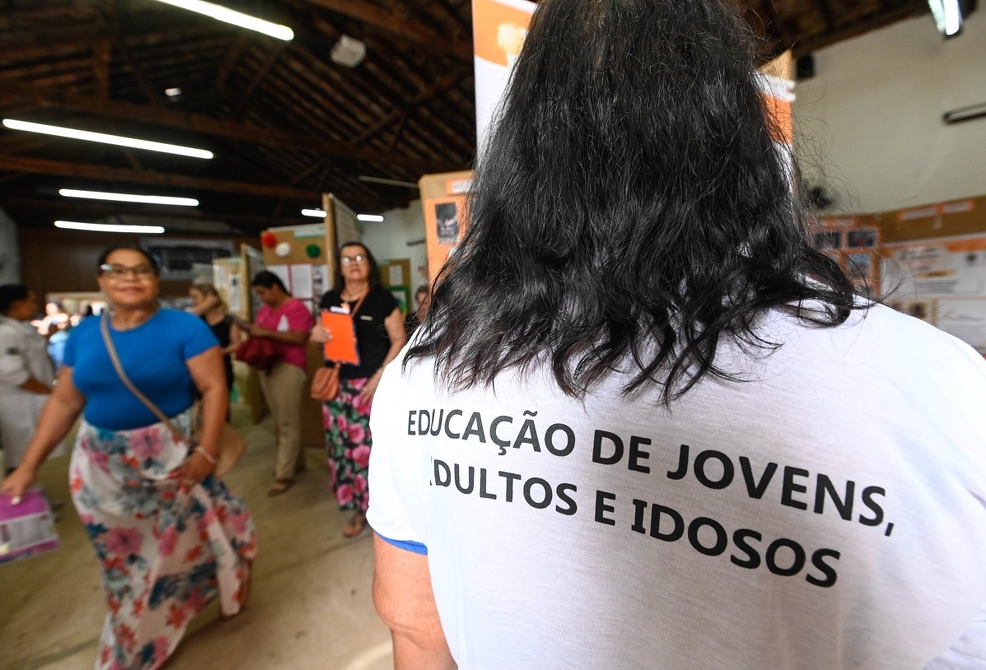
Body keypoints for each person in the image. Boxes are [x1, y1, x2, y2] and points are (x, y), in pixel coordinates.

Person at [365, 1, 986, 668]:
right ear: (741, 136)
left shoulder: (425, 369)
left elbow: (417, 630)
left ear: (520, 149)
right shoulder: (936, 387)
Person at [0, 245, 256, 670]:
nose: (130, 277)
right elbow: (65, 401)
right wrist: (28, 465)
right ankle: (134, 643)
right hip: (101, 471)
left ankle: (219, 582)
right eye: (116, 270)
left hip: (170, 461)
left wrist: (207, 450)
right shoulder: (85, 334)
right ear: (101, 280)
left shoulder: (185, 328)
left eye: (141, 270)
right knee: (125, 567)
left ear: (155, 280)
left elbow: (213, 388)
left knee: (183, 545)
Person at [310, 242, 405, 537]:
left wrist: (379, 376)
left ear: (369, 264)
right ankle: (354, 505)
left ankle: (374, 507)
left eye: (360, 257)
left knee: (368, 450)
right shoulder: (329, 299)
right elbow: (319, 335)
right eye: (347, 258)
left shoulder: (382, 299)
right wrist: (314, 334)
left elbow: (399, 340)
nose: (353, 262)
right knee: (340, 447)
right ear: (339, 266)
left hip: (368, 388)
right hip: (336, 386)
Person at [245, 270, 314, 496]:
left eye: (263, 292)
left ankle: (284, 474)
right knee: (283, 419)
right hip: (268, 366)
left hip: (289, 367)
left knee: (286, 423)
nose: (261, 298)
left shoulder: (296, 308)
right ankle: (297, 462)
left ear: (275, 287)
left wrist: (265, 332)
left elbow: (299, 336)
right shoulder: (266, 310)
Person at [0, 284, 60, 472]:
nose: (35, 306)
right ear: (16, 304)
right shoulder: (2, 333)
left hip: (26, 400)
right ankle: (17, 490)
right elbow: (13, 374)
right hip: (18, 404)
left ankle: (28, 489)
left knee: (29, 454)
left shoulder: (17, 330)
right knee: (19, 457)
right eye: (32, 302)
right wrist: (47, 391)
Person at [188, 283, 242, 418]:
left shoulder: (228, 320)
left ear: (209, 298)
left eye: (195, 297)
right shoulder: (195, 320)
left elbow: (236, 344)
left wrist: (223, 351)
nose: (193, 301)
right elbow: (187, 316)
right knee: (201, 409)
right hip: (198, 368)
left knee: (221, 408)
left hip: (222, 367)